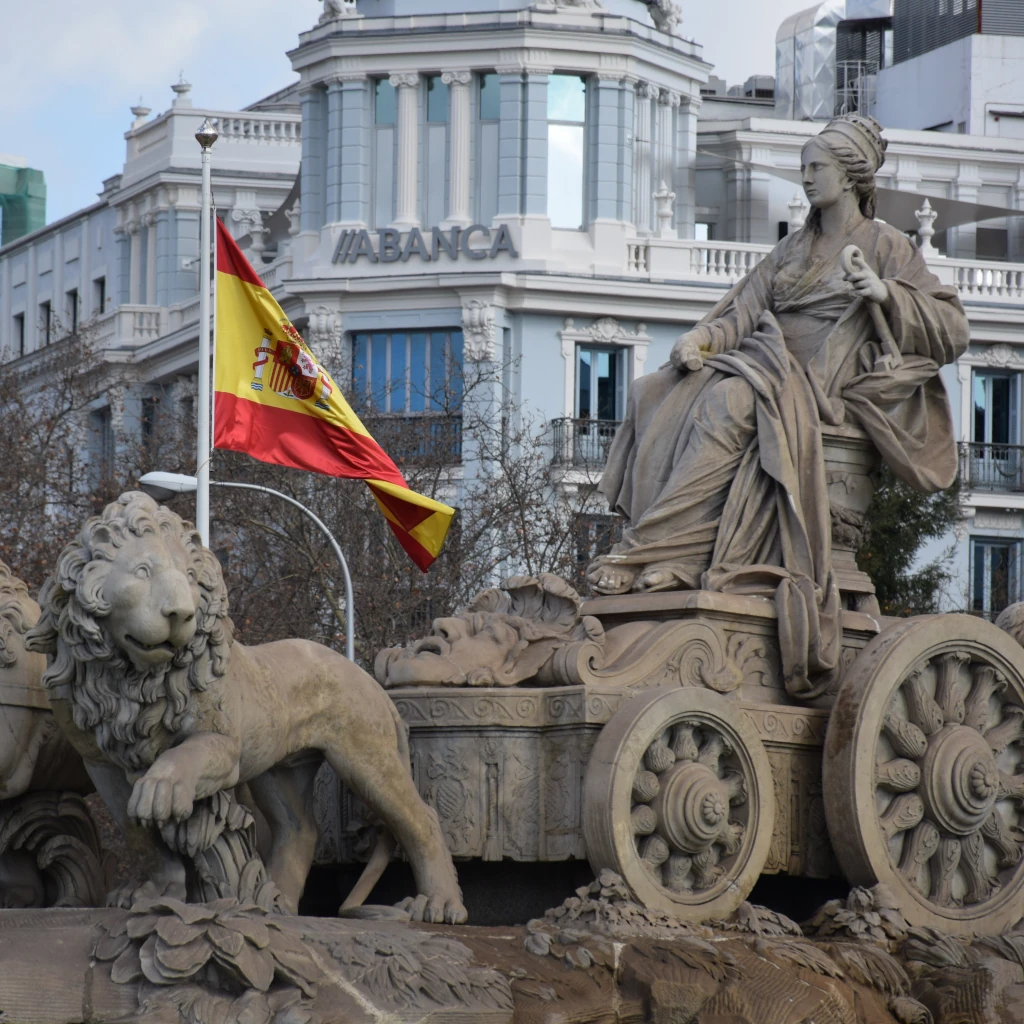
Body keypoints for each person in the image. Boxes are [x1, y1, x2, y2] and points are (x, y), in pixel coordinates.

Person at [588, 113, 969, 698]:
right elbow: (743, 313)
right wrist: (704, 340)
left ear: (851, 174)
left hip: (820, 389)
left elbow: (952, 330)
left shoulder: (887, 247)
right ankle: (668, 552)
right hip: (764, 362)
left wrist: (885, 293)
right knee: (651, 391)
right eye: (804, 168)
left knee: (728, 402)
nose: (807, 179)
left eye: (817, 168)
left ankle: (663, 550)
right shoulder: (790, 250)